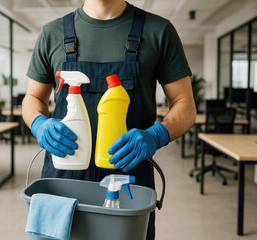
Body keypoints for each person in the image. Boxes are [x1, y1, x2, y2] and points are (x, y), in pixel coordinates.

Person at [22, 0, 196, 239]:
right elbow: (33, 97)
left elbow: (185, 103)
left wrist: (158, 135)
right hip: (62, 183)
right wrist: (38, 123)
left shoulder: (158, 31)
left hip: (128, 184)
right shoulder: (52, 33)